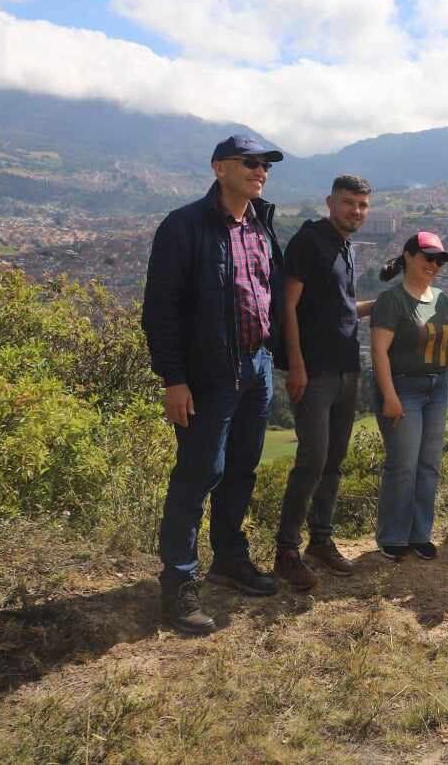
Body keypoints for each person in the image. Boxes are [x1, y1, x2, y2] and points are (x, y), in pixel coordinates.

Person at [142, 133, 287, 635]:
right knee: (199, 474)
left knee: (242, 470)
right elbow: (160, 310)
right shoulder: (185, 226)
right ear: (218, 167)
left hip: (258, 367)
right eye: (249, 162)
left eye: (265, 163)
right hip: (209, 375)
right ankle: (179, 585)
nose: (259, 170)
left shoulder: (262, 226)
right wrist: (174, 379)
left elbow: (267, 298)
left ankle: (228, 558)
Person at [273, 174, 375, 591]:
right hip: (314, 372)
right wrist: (295, 365)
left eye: (363, 205)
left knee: (333, 460)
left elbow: (342, 309)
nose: (356, 211)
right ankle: (286, 550)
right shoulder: (310, 242)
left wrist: (383, 304)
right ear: (330, 202)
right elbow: (288, 306)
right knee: (312, 459)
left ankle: (320, 539)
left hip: (347, 369)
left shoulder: (343, 247)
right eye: (349, 202)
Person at [370, 232, 448, 560]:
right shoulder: (391, 300)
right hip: (402, 387)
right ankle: (393, 536)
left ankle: (420, 533)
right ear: (408, 257)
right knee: (403, 465)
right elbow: (379, 352)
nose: (433, 265)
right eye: (427, 257)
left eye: (439, 260)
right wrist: (389, 396)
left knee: (429, 464)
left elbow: (445, 345)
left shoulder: (442, 300)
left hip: (437, 386)